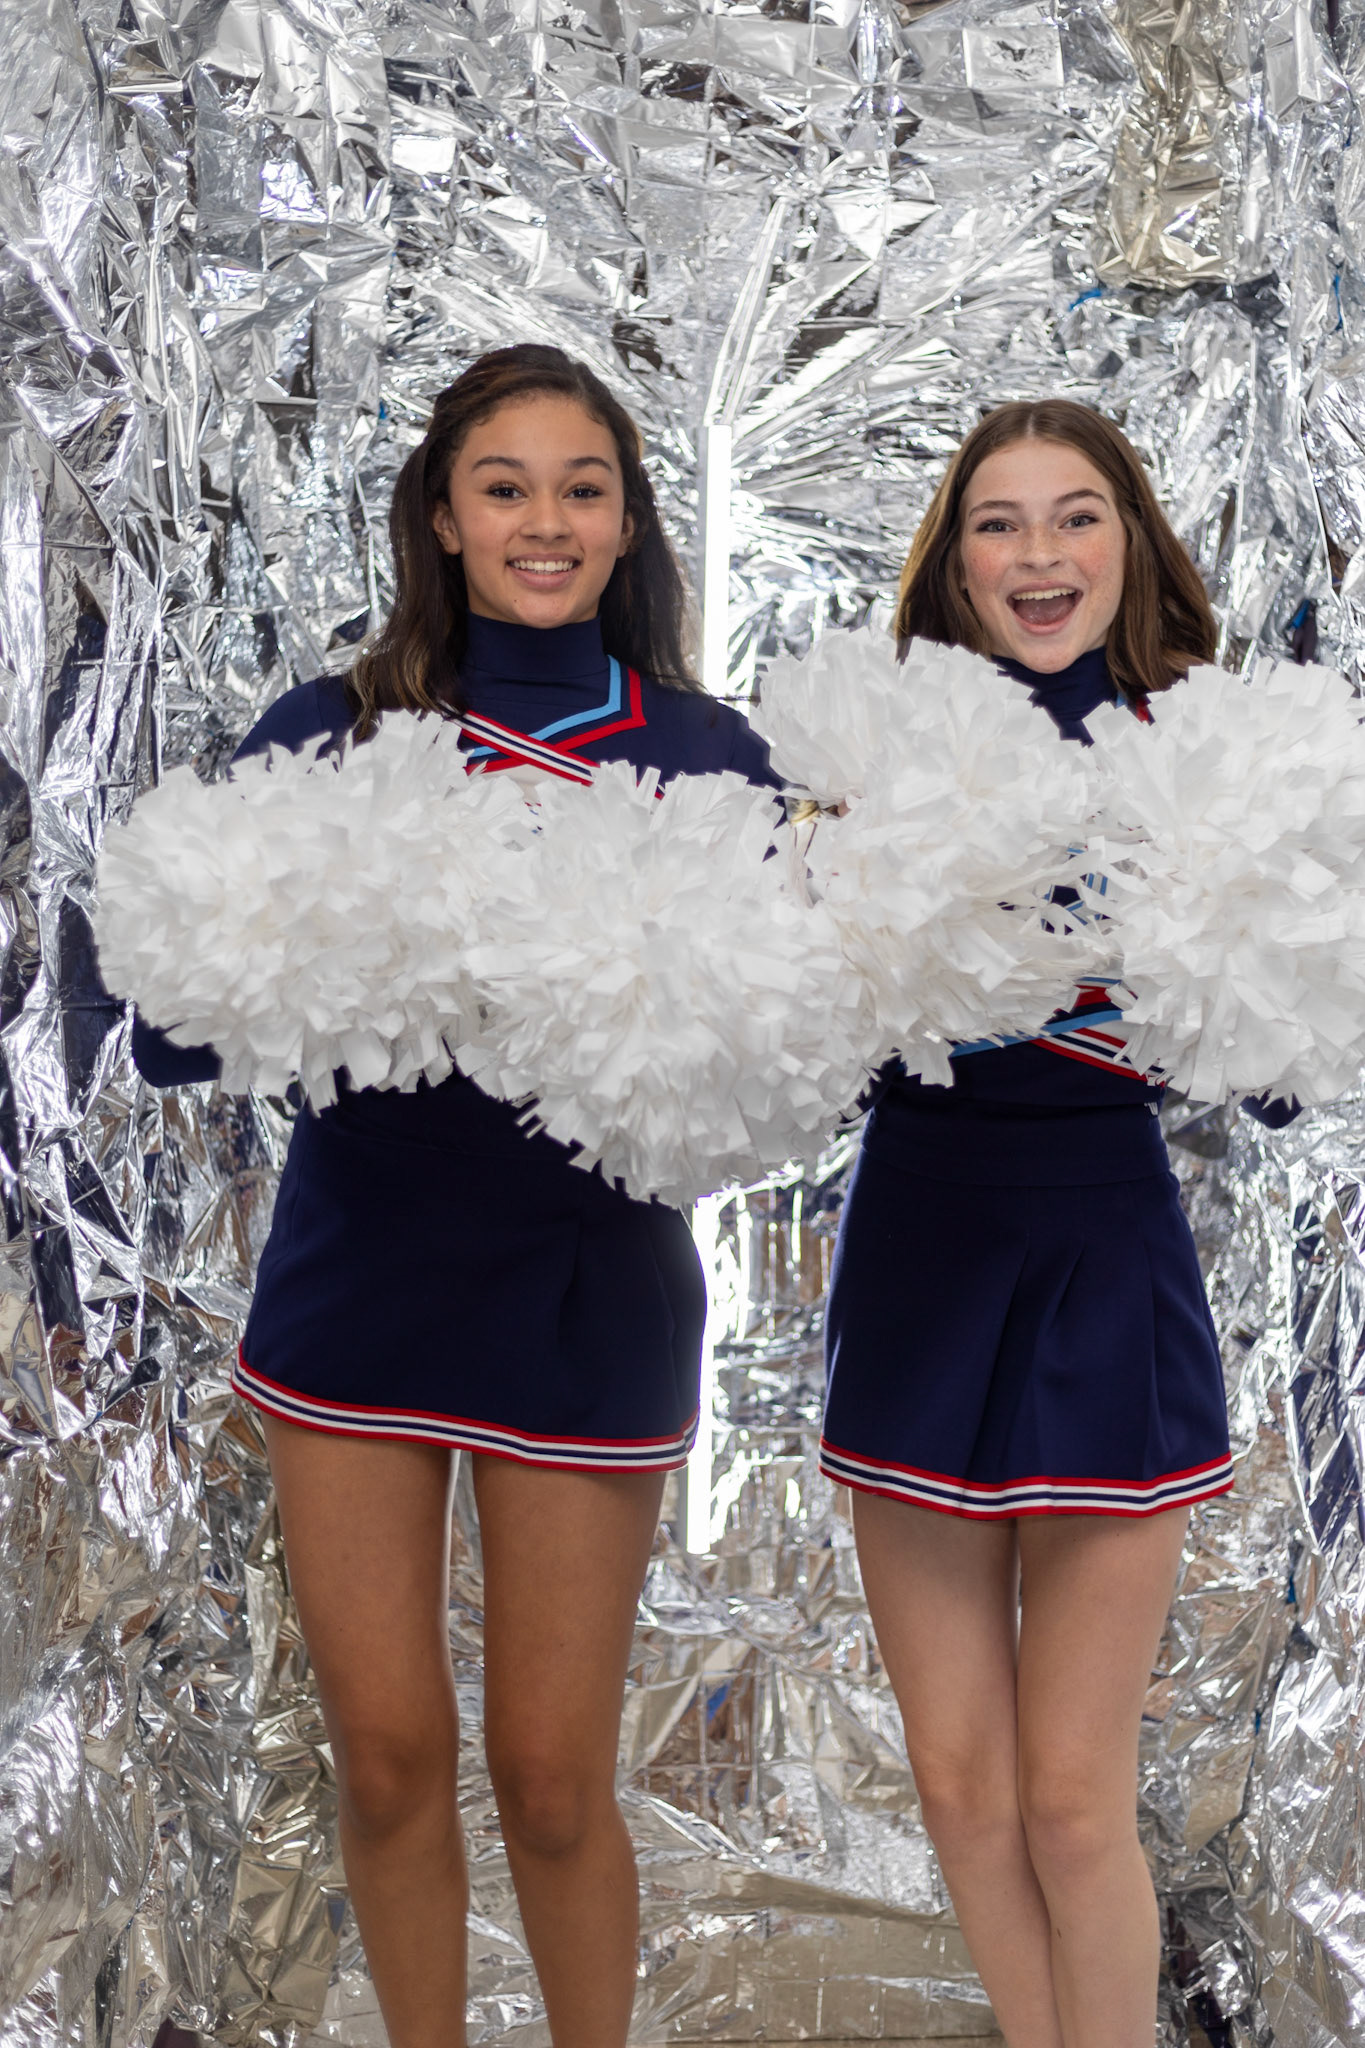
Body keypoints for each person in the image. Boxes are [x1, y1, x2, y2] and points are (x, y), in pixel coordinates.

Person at [132, 345, 775, 2048]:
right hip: (362, 1287)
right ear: (443, 515)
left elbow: (787, 1064)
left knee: (554, 1778)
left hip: (588, 1299)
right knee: (393, 1755)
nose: (544, 521)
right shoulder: (337, 735)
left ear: (628, 521)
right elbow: (172, 1034)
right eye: (505, 486)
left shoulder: (710, 757)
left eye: (582, 487)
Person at [817, 400, 1250, 2047]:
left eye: (1074, 516)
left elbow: (1273, 1063)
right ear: (955, 559)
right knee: (959, 1781)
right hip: (920, 1251)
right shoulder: (875, 759)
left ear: (1126, 539)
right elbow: (808, 1038)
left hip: (1097, 1257)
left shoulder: (1205, 750)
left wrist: (1253, 1003)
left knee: (1074, 1799)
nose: (1039, 554)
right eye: (998, 522)